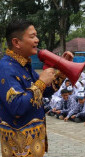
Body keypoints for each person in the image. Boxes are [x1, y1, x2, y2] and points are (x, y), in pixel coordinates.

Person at [0, 19, 73, 157]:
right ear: (16, 42)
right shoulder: (5, 68)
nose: (37, 40)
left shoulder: (23, 65)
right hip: (19, 148)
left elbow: (45, 92)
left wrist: (62, 71)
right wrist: (41, 82)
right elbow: (17, 106)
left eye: (36, 36)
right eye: (32, 36)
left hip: (32, 145)